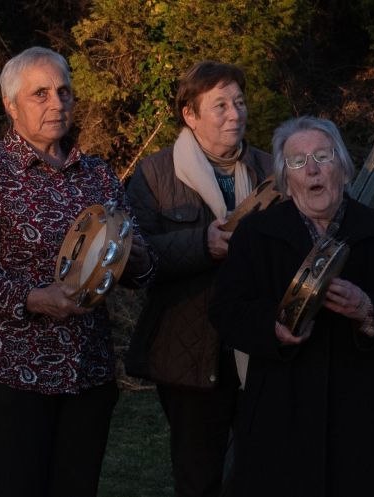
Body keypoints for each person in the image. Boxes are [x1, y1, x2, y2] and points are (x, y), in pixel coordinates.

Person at [0, 46, 154, 497]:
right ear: (10, 104)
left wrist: (137, 261)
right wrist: (32, 298)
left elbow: (136, 261)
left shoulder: (97, 174)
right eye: (40, 94)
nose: (57, 103)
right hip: (7, 374)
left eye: (63, 91)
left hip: (86, 371)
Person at [209, 116, 374, 496]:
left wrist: (368, 310)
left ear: (343, 167)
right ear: (285, 178)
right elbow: (225, 309)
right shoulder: (257, 236)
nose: (311, 169)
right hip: (281, 408)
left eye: (322, 157)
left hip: (363, 408)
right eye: (297, 162)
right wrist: (272, 328)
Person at [123, 60, 274, 497]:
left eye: (240, 102)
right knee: (198, 474)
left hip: (259, 342)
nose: (236, 113)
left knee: (261, 468)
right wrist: (200, 246)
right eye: (221, 104)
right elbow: (136, 259)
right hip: (188, 350)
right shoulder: (154, 173)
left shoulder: (270, 168)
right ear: (189, 114)